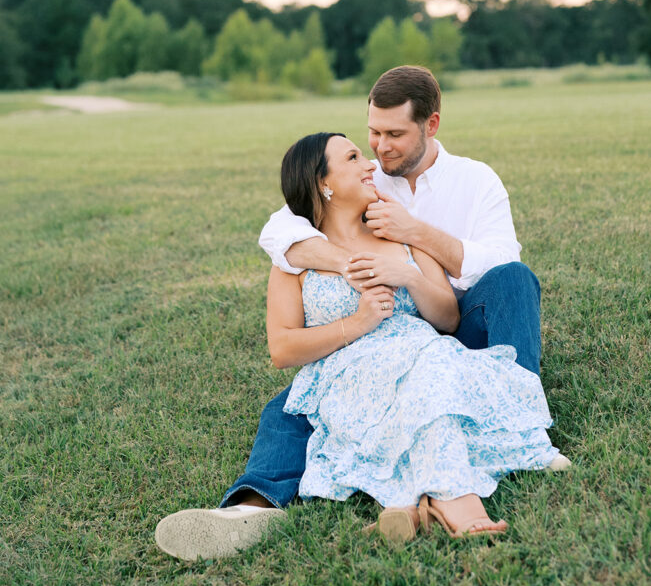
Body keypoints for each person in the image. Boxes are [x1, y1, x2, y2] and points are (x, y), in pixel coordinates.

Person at [155, 67, 552, 560]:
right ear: (324, 184)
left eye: (393, 135)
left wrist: (412, 242)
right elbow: (281, 233)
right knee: (290, 409)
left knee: (508, 285)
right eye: (371, 136)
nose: (377, 152)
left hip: (449, 329)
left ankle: (521, 425)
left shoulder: (474, 182)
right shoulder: (347, 199)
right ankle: (254, 508)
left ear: (430, 125)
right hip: (352, 360)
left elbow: (491, 267)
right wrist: (349, 272)